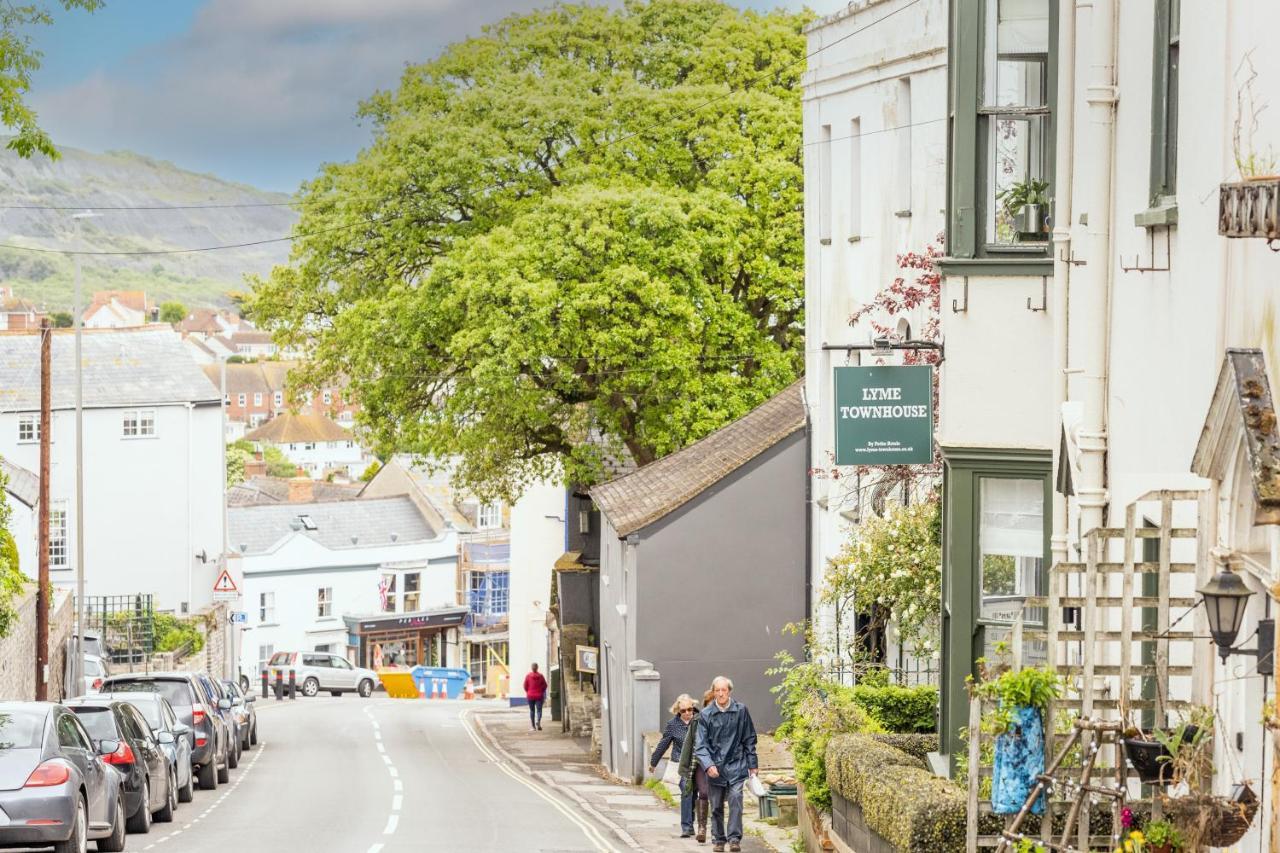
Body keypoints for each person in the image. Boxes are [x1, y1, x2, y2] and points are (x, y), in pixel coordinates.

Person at [693, 676, 757, 853]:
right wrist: (708, 765)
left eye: (724, 690)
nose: (721, 694)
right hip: (715, 767)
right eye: (717, 690)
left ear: (729, 691)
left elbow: (749, 738)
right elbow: (700, 745)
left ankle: (734, 839)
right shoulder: (706, 715)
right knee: (717, 806)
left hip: (736, 765)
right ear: (713, 692)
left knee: (736, 800)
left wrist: (752, 764)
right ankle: (719, 839)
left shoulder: (741, 710)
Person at [649, 694, 699, 838]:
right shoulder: (672, 725)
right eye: (684, 710)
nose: (688, 713)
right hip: (681, 765)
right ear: (678, 711)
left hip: (697, 764)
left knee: (694, 795)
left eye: (690, 709)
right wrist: (653, 762)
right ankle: (686, 826)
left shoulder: (700, 720)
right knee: (686, 791)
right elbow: (663, 745)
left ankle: (691, 820)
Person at [679, 687, 715, 843]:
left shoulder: (728, 719)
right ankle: (700, 828)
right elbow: (689, 745)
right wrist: (685, 768)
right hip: (699, 763)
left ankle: (717, 829)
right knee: (703, 792)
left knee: (717, 796)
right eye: (709, 703)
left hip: (719, 763)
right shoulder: (697, 720)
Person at [523, 663, 547, 731]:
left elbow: (525, 686)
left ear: (531, 668)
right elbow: (545, 685)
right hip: (539, 696)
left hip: (530, 695)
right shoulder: (541, 676)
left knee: (532, 710)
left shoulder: (528, 676)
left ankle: (533, 727)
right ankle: (538, 722)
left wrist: (528, 691)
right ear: (537, 668)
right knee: (539, 710)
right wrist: (541, 691)